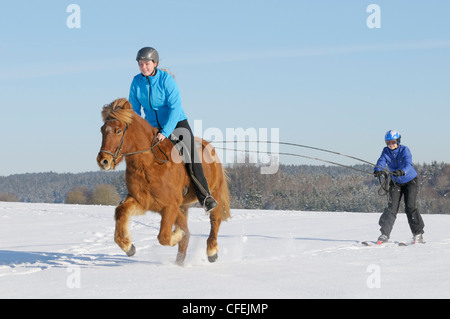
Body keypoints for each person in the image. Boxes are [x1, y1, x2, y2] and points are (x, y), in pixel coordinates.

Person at [129, 47, 218, 212]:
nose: (143, 67)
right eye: (140, 64)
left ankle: (204, 196)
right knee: (138, 155)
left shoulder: (166, 80)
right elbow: (134, 110)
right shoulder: (136, 82)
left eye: (147, 64)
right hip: (152, 126)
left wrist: (166, 131)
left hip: (176, 122)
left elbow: (175, 107)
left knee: (189, 154)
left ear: (154, 63)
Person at [373, 130, 425, 244]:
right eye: (388, 142)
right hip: (395, 182)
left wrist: (402, 171)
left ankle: (418, 234)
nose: (390, 144)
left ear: (398, 141)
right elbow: (381, 161)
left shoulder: (405, 149)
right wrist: (378, 170)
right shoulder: (385, 151)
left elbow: (408, 163)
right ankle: (384, 234)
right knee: (391, 208)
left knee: (410, 207)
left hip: (410, 181)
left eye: (392, 142)